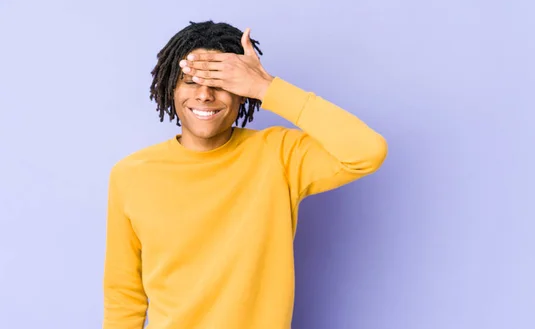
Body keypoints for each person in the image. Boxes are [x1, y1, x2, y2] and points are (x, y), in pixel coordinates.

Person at [102, 20, 388, 329]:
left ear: (242, 94)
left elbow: (367, 151)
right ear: (171, 88)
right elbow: (124, 295)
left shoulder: (279, 156)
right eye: (190, 81)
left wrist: (267, 86)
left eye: (221, 83)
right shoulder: (131, 175)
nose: (204, 95)